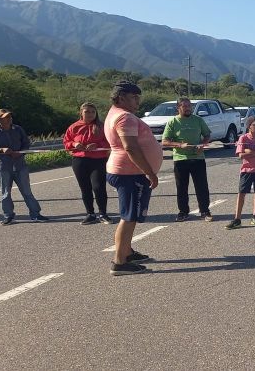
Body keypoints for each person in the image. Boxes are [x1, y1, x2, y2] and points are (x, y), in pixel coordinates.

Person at [104, 81, 163, 276]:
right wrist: (149, 172)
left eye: (138, 97)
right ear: (121, 98)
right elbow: (130, 147)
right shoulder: (124, 117)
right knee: (128, 217)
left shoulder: (115, 113)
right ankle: (120, 262)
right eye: (134, 97)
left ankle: (127, 252)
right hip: (130, 173)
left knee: (131, 215)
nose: (138, 101)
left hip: (125, 171)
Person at [0, 109, 48, 224]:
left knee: (27, 191)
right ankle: (8, 216)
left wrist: (21, 152)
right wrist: (1, 149)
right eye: (5, 117)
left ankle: (35, 214)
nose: (9, 119)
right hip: (4, 166)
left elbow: (26, 143)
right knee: (5, 193)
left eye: (9, 117)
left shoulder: (18, 129)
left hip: (20, 165)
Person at [161, 98, 213, 222]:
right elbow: (165, 141)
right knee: (182, 187)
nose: (188, 108)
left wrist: (203, 144)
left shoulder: (198, 120)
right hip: (180, 159)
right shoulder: (172, 122)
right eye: (185, 106)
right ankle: (183, 212)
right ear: (178, 108)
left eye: (189, 106)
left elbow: (207, 135)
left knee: (202, 186)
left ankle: (205, 211)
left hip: (198, 158)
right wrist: (179, 145)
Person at [63, 102, 112, 225]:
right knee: (85, 188)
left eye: (92, 112)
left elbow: (109, 142)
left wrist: (97, 145)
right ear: (81, 113)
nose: (90, 114)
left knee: (98, 187)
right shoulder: (74, 127)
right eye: (87, 112)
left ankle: (103, 213)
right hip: (80, 161)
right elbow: (67, 142)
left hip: (98, 160)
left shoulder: (101, 126)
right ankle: (90, 213)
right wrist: (74, 144)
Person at [226, 117, 255, 229]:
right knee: (241, 193)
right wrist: (252, 152)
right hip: (247, 169)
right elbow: (240, 155)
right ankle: (237, 218)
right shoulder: (243, 138)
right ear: (249, 126)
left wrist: (250, 151)